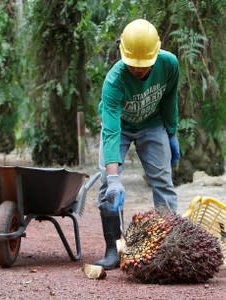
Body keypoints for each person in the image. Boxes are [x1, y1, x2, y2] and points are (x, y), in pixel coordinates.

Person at [95, 19, 180, 269]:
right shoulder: (114, 81)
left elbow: (169, 99)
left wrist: (172, 133)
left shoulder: (169, 64)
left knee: (163, 182)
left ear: (156, 54)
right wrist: (113, 179)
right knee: (106, 185)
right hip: (119, 128)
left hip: (153, 125)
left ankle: (169, 243)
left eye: (144, 66)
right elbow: (110, 131)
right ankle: (114, 247)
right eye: (133, 65)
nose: (139, 71)